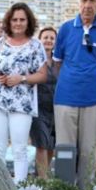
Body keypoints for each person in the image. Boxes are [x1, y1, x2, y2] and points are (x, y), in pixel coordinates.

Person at [53, 0, 96, 188]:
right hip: (65, 98)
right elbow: (57, 63)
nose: (87, 5)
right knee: (64, 150)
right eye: (84, 0)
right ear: (78, 2)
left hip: (94, 99)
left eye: (92, 0)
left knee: (88, 150)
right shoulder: (65, 29)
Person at [0, 2, 48, 187]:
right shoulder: (0, 43)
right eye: (14, 20)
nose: (18, 23)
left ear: (28, 22)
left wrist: (21, 78)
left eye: (22, 19)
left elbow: (43, 75)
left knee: (20, 148)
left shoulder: (36, 46)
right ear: (9, 22)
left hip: (22, 104)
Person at [30, 27, 61, 179]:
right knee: (41, 144)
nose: (48, 40)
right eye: (45, 37)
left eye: (52, 38)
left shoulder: (59, 62)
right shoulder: (34, 59)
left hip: (56, 108)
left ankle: (43, 174)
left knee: (51, 146)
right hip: (38, 107)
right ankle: (43, 180)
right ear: (39, 40)